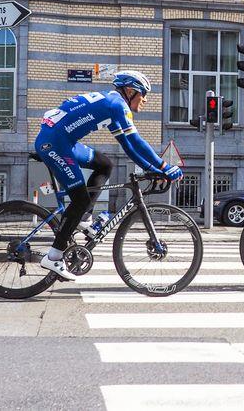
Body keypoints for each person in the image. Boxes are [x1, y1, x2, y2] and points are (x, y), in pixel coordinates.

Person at [34, 70, 183, 280]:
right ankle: (54, 255)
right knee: (80, 199)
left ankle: (84, 219)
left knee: (104, 165)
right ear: (130, 91)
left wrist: (153, 169)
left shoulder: (112, 105)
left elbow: (129, 146)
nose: (145, 100)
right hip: (56, 145)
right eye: (143, 94)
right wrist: (164, 166)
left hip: (63, 142)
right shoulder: (117, 105)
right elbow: (138, 141)